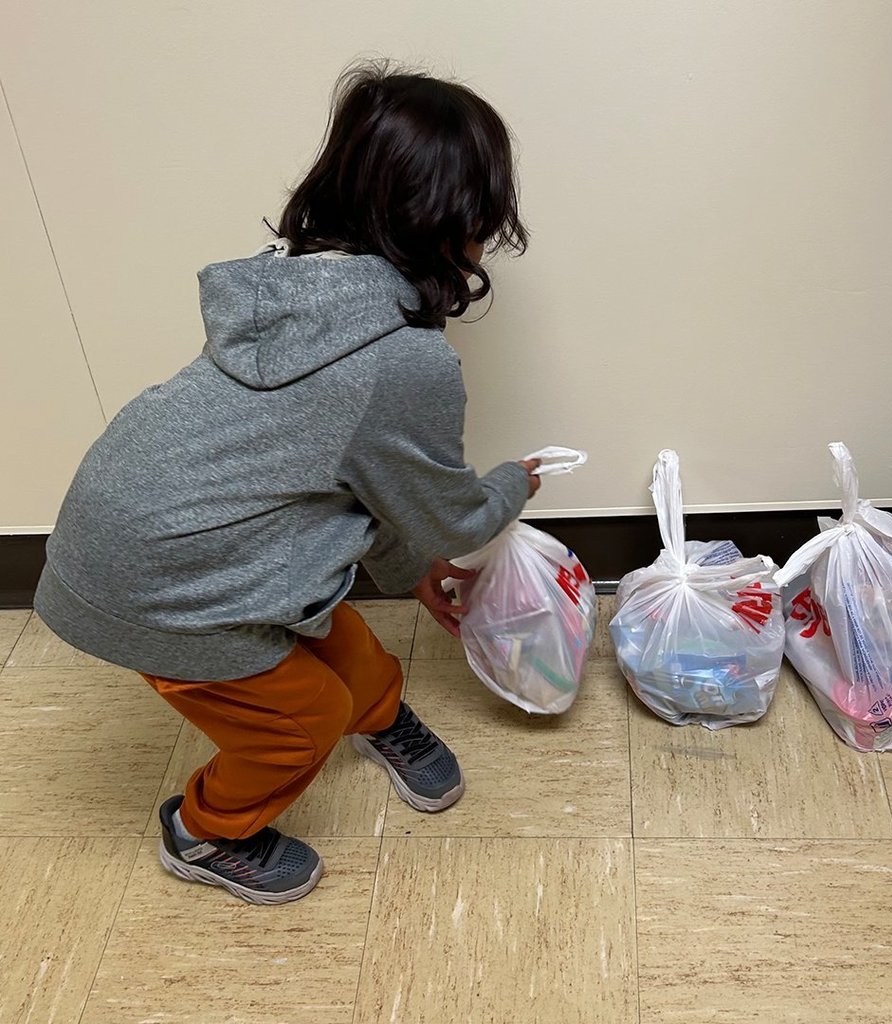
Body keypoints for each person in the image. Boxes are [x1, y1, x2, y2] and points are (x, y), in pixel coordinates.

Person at [34, 62, 540, 904]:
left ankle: (379, 717)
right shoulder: (403, 360)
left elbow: (354, 480)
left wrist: (408, 569)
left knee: (345, 644)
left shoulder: (293, 285)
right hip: (156, 589)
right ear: (458, 215)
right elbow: (452, 519)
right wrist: (514, 485)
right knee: (300, 725)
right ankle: (205, 833)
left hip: (145, 534)